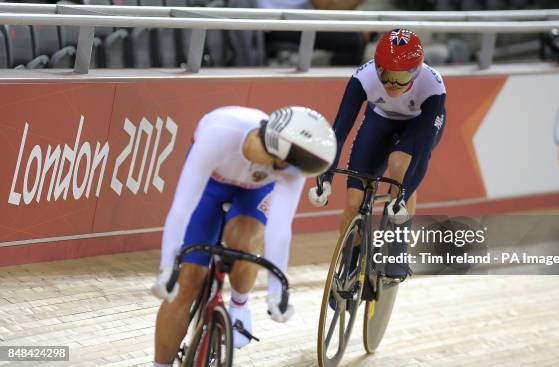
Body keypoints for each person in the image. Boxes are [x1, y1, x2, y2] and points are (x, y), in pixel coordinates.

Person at [151, 105, 337, 367]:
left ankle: (239, 306)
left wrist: (276, 291)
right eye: (290, 168)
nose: (294, 176)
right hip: (210, 187)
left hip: (253, 193)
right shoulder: (219, 136)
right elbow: (182, 208)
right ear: (277, 150)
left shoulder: (290, 165)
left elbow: (279, 231)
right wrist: (168, 267)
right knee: (186, 281)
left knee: (245, 241)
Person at [309, 28, 447, 280]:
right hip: (379, 121)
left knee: (399, 164)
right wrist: (325, 180)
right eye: (385, 76)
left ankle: (397, 250)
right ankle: (348, 268)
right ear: (377, 67)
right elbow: (338, 132)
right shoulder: (364, 77)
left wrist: (401, 197)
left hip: (418, 127)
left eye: (399, 79)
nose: (391, 85)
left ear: (415, 73)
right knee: (353, 202)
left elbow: (423, 151)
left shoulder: (432, 85)